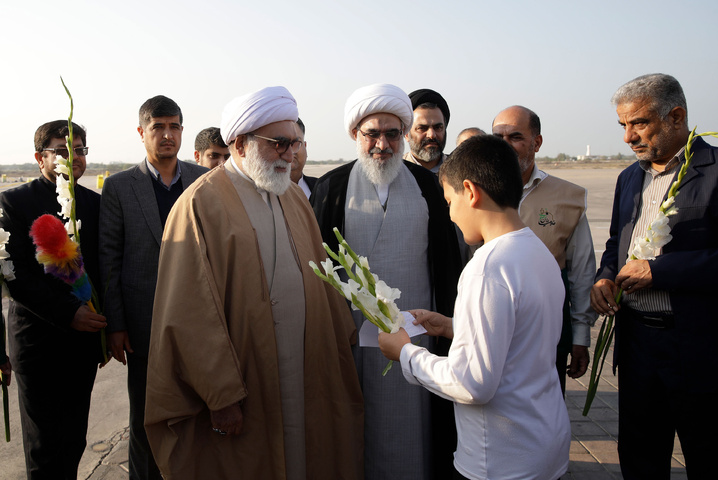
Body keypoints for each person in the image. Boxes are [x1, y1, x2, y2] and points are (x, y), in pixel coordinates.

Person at [144, 86, 363, 479]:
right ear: (241, 144)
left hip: (305, 370)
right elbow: (190, 314)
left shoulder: (293, 196)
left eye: (294, 143)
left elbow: (323, 284)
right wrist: (221, 394)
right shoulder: (199, 204)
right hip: (248, 382)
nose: (290, 154)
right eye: (279, 143)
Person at [378, 135, 571, 480]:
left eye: (449, 201)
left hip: (501, 458)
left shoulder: (487, 267)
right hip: (544, 441)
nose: (450, 214)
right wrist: (453, 326)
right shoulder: (537, 251)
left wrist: (405, 353)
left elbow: (471, 384)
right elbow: (522, 334)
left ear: (470, 191)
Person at [311, 83, 462, 479]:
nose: (382, 143)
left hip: (419, 338)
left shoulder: (430, 186)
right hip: (353, 342)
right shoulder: (332, 187)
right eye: (372, 134)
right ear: (355, 135)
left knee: (416, 431)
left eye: (392, 133)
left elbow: (447, 268)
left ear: (404, 135)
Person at [590, 73, 718, 479]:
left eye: (639, 123)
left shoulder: (717, 172)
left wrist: (661, 271)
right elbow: (616, 243)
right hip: (637, 346)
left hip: (700, 348)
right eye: (623, 126)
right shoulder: (629, 178)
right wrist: (604, 278)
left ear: (676, 116)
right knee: (641, 456)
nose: (629, 137)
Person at [99, 96, 207, 480]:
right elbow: (109, 259)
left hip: (198, 323)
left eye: (174, 126)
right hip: (143, 325)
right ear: (141, 132)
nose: (167, 135)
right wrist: (116, 324)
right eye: (158, 127)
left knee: (196, 417)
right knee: (147, 421)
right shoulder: (119, 187)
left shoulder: (203, 180)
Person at [0, 120, 106, 479]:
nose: (72, 158)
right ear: (39, 157)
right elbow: (15, 277)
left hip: (82, 346)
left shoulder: (95, 204)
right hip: (38, 343)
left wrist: (103, 332)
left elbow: (103, 271)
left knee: (74, 441)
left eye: (79, 150)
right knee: (44, 448)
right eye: (61, 151)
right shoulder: (14, 202)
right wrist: (68, 313)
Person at [492, 105, 596, 392]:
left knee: (545, 408)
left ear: (536, 142)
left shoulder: (568, 198)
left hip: (548, 330)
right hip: (490, 325)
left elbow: (582, 271)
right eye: (497, 137)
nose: (505, 146)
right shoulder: (475, 192)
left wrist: (580, 336)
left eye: (515, 137)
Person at [403, 88, 450, 173]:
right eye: (422, 128)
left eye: (438, 127)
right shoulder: (394, 173)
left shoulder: (462, 171)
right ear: (406, 134)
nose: (431, 135)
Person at [291, 117, 316, 198]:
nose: (290, 151)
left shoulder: (323, 188)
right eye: (282, 143)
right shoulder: (258, 194)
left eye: (296, 143)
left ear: (305, 146)